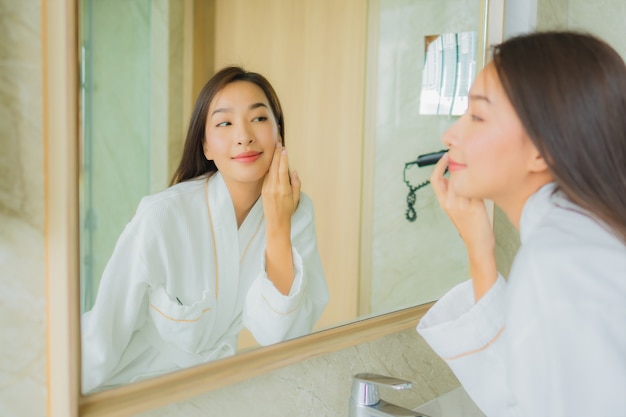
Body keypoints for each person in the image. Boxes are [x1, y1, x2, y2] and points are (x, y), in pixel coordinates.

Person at [81, 66, 329, 393]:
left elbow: (280, 335)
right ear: (206, 147)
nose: (244, 135)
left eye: (258, 118)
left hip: (210, 391)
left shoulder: (297, 211)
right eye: (225, 123)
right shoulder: (162, 215)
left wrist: (278, 224)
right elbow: (102, 335)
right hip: (128, 391)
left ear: (278, 132)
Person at [417, 31, 626, 416]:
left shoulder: (560, 262)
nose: (450, 135)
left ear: (542, 148)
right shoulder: (585, 239)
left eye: (477, 116)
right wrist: (479, 250)